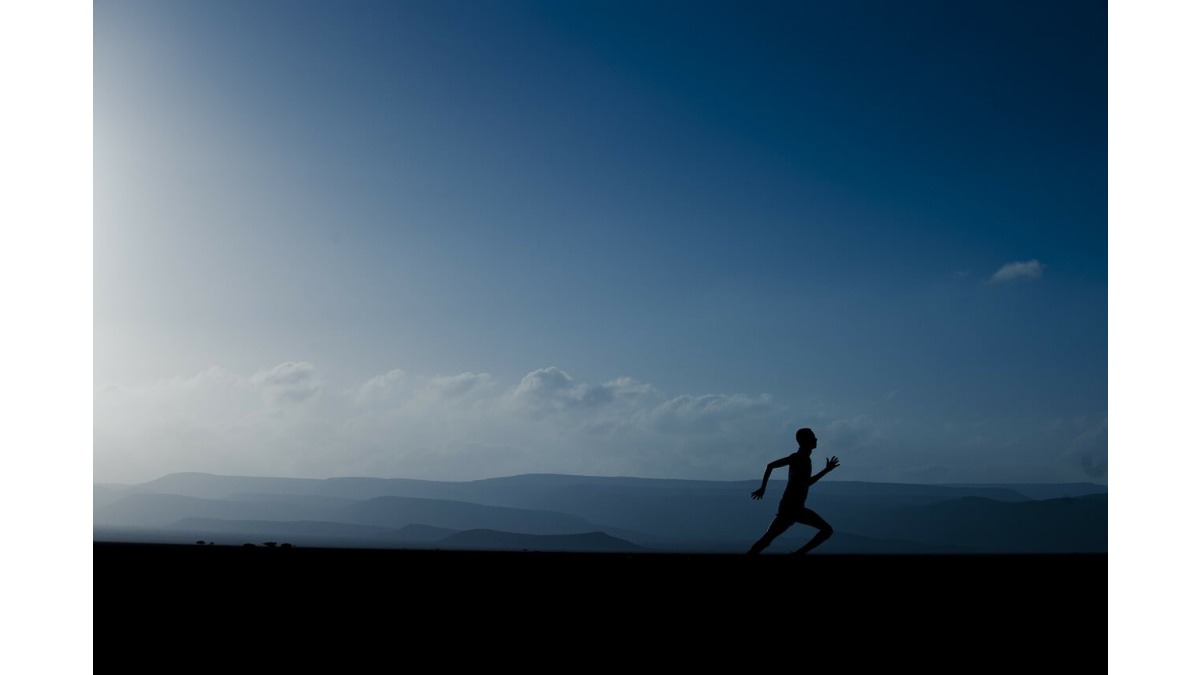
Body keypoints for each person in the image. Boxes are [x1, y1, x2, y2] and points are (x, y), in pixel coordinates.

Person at [747, 427, 839, 555]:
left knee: (767, 539)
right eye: (813, 437)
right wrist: (763, 488)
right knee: (827, 530)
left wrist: (826, 470)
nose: (816, 439)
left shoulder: (803, 458)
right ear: (805, 441)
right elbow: (771, 466)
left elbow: (805, 483)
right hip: (793, 508)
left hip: (790, 507)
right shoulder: (799, 458)